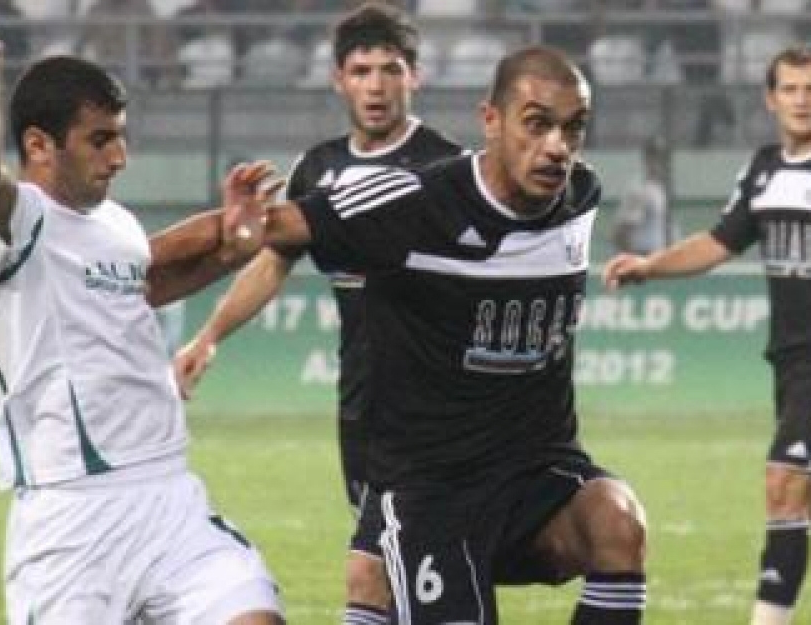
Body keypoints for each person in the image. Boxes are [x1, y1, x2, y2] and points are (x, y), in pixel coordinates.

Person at [223, 44, 648, 624]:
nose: (557, 146)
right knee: (370, 575)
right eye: (538, 124)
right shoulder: (373, 186)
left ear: (412, 78)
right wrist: (175, 302)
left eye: (573, 129)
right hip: (410, 447)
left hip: (518, 462)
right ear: (491, 120)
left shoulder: (565, 194)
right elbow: (273, 241)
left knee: (615, 520)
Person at [0, 7, 283, 624]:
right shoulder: (15, 223)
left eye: (121, 136)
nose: (120, 156)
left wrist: (231, 248)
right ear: (39, 145)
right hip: (72, 520)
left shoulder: (115, 222)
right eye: (101, 139)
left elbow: (145, 281)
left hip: (168, 498)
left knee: (253, 614)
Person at [174, 3, 464, 623]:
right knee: (389, 568)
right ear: (338, 80)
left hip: (434, 405)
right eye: (361, 71)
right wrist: (210, 336)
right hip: (363, 399)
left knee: (381, 567)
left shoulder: (447, 169)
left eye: (390, 70)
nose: (376, 86)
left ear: (415, 76)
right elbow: (272, 262)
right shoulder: (320, 169)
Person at [604, 45, 811, 625]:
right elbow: (718, 242)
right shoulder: (762, 170)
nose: (801, 100)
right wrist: (650, 266)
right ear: (770, 99)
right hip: (789, 358)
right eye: (790, 89)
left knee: (783, 485)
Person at [611, 138, 670, 255]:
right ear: (647, 159)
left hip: (656, 256)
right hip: (641, 255)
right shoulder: (640, 189)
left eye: (663, 158)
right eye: (655, 157)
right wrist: (633, 260)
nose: (659, 163)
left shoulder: (658, 188)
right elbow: (622, 231)